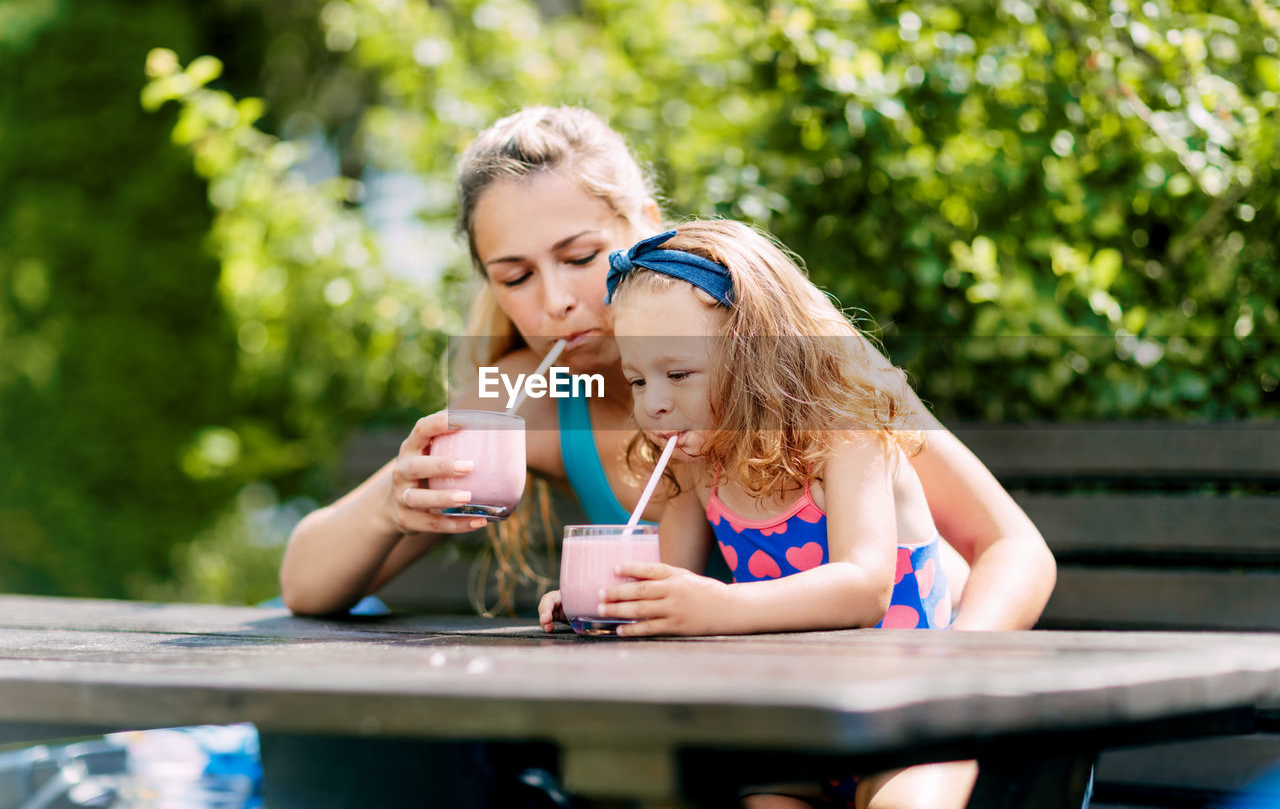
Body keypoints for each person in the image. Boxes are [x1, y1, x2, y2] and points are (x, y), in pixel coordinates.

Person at [280, 105, 1055, 638]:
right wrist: (393, 498)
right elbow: (306, 584)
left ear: (648, 227)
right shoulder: (534, 397)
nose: (555, 302)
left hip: (902, 673)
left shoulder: (791, 374)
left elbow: (1013, 548)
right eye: (514, 276)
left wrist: (956, 673)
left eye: (582, 257)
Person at [539, 220, 972, 808]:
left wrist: (718, 606)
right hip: (796, 723)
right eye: (638, 379)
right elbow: (662, 584)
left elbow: (865, 586)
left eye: (680, 374)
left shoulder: (843, 438)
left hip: (908, 712)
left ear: (757, 355)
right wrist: (611, 603)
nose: (654, 401)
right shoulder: (697, 470)